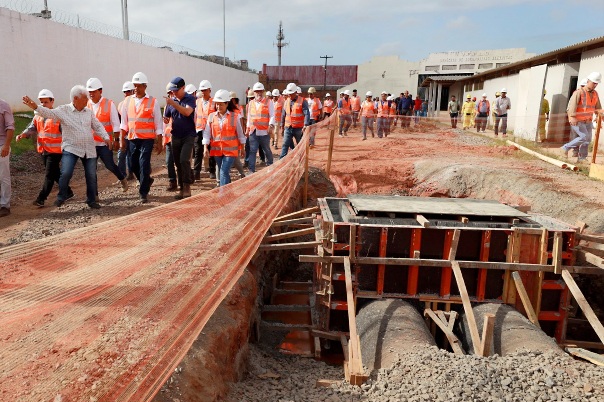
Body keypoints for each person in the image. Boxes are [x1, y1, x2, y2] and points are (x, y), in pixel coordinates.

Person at [22, 85, 111, 209]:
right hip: (71, 148)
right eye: (85, 98)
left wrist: (106, 137)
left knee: (91, 175)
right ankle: (61, 196)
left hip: (88, 149)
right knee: (65, 173)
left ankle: (91, 200)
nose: (88, 101)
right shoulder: (63, 110)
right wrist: (35, 107)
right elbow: (49, 112)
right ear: (76, 98)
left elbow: (97, 126)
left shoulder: (88, 112)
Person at [16, 89, 73, 207]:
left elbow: (67, 133)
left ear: (52, 102)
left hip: (56, 151)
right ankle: (68, 192)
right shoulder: (38, 116)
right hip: (43, 150)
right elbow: (32, 128)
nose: (43, 105)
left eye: (46, 102)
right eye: (41, 102)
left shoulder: (58, 117)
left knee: (49, 175)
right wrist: (23, 134)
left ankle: (41, 198)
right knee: (55, 173)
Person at [120, 72, 163, 203]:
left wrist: (160, 141)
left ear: (145, 86)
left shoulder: (152, 101)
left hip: (147, 139)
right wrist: (122, 140)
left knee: (144, 163)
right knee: (133, 164)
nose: (136, 88)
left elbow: (158, 122)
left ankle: (143, 192)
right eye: (135, 86)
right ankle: (147, 180)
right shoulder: (127, 101)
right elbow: (124, 122)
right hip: (132, 138)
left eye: (139, 86)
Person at [85, 78, 128, 194]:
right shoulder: (86, 105)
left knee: (110, 165)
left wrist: (116, 140)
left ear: (100, 91)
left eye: (93, 91)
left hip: (105, 143)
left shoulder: (109, 104)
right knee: (91, 170)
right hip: (91, 144)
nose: (91, 94)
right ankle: (94, 195)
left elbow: (115, 124)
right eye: (89, 91)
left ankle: (122, 178)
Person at [202, 89, 246, 187]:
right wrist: (205, 148)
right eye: (217, 104)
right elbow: (207, 134)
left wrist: (242, 148)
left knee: (223, 170)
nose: (218, 107)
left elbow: (240, 134)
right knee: (224, 172)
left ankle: (222, 194)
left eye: (221, 104)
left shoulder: (235, 116)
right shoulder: (211, 116)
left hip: (230, 151)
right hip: (217, 151)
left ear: (227, 104)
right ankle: (228, 190)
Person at [164, 76, 196, 199]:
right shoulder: (171, 101)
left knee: (184, 160)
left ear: (183, 88)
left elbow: (187, 112)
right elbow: (167, 117)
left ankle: (187, 186)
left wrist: (173, 104)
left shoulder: (190, 99)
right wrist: (166, 118)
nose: (173, 93)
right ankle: (182, 188)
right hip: (175, 135)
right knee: (177, 162)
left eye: (176, 90)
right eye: (172, 91)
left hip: (188, 135)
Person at [561, 72, 602, 162]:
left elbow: (598, 108)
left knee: (587, 140)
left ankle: (582, 158)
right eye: (593, 83)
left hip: (588, 121)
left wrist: (600, 117)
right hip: (578, 120)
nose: (595, 85)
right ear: (588, 81)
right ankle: (565, 148)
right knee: (583, 137)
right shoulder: (579, 92)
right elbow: (571, 106)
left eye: (596, 83)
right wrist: (572, 117)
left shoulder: (595, 94)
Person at [246, 82, 275, 174]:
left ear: (263, 91)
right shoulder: (251, 103)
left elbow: (272, 115)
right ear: (254, 92)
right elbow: (249, 117)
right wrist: (247, 128)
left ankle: (270, 165)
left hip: (264, 131)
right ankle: (251, 170)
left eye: (260, 91)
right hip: (253, 130)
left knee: (266, 149)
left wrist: (270, 125)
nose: (259, 93)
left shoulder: (268, 102)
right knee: (252, 151)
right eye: (257, 91)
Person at [280, 82, 310, 159]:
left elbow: (306, 113)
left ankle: (301, 160)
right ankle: (281, 161)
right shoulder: (286, 101)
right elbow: (283, 114)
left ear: (295, 92)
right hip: (288, 127)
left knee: (300, 145)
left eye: (291, 93)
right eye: (288, 93)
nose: (289, 95)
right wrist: (282, 126)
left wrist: (306, 125)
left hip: (299, 128)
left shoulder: (302, 101)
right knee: (285, 144)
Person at [195, 80, 216, 180]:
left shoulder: (214, 102)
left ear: (209, 90)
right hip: (199, 129)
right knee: (198, 151)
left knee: (211, 150)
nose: (203, 92)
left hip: (211, 130)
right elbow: (195, 115)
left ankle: (212, 171)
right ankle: (196, 172)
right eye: (202, 90)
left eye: (205, 90)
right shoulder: (197, 102)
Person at [117, 81, 135, 180]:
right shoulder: (120, 105)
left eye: (128, 91)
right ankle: (122, 176)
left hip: (133, 134)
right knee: (121, 155)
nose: (126, 94)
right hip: (124, 134)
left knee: (131, 155)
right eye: (125, 92)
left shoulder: (136, 104)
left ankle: (132, 173)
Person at [0, 97, 14, 217]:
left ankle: (5, 205)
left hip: (1, 146)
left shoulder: (3, 105)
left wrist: (6, 145)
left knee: (3, 176)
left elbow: (10, 127)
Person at [162, 84, 177, 192]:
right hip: (169, 138)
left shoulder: (180, 104)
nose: (170, 95)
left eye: (172, 92)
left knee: (181, 161)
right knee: (168, 161)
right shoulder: (167, 106)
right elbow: (164, 124)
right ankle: (172, 181)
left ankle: (185, 179)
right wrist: (163, 139)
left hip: (179, 137)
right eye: (169, 93)